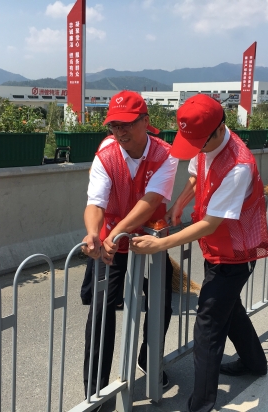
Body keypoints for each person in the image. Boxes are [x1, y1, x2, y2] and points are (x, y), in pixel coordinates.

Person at [130, 94, 268, 412]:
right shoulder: (205, 143)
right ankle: (255, 363)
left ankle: (201, 404)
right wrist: (180, 203)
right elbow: (196, 175)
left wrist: (160, 244)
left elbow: (209, 224)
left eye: (200, 143)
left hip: (236, 253)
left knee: (208, 325)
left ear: (219, 129)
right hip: (217, 248)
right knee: (228, 308)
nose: (196, 149)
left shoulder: (239, 166)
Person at [80, 90, 178, 396]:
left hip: (149, 239)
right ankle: (95, 390)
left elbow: (150, 202)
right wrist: (93, 233)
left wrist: (117, 233)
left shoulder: (166, 155)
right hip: (112, 240)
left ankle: (149, 360)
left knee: (161, 302)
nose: (120, 131)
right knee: (101, 310)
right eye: (114, 125)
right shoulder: (106, 154)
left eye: (127, 124)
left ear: (145, 121)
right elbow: (95, 202)